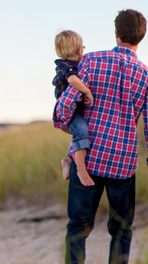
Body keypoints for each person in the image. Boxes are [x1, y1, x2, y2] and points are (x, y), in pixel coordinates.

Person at [54, 9, 148, 264]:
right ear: (141, 37)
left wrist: (62, 122)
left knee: (78, 228)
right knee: (121, 231)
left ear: (116, 33)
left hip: (88, 159)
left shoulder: (90, 61)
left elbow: (65, 107)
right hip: (123, 165)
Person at [53, 30, 95, 186]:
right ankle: (81, 170)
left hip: (72, 109)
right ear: (79, 50)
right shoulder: (68, 66)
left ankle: (68, 161)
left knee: (79, 133)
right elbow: (72, 80)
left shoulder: (64, 64)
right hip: (68, 111)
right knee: (82, 130)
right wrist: (87, 90)